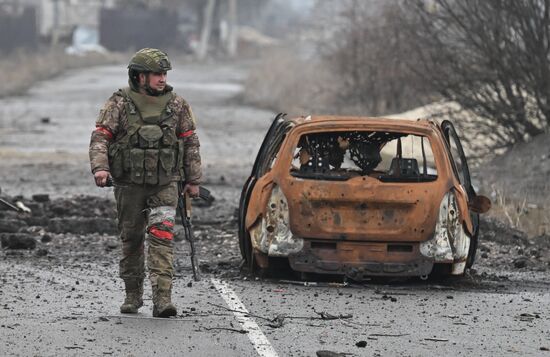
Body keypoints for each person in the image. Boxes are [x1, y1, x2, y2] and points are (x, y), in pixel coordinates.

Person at [89, 48, 202, 318]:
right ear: (140, 76)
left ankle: (163, 299)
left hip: (165, 183)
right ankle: (132, 295)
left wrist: (193, 179)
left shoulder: (178, 104)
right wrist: (101, 169)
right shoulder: (118, 102)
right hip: (128, 184)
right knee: (132, 239)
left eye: (164, 74)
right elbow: (101, 137)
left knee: (162, 237)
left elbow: (190, 142)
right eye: (157, 74)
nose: (162, 79)